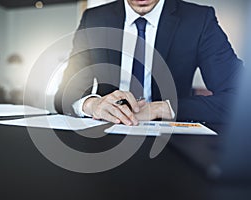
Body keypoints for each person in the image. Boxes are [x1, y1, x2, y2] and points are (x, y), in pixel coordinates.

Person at [55, 0, 242, 125]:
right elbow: (65, 94)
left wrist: (161, 108)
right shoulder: (94, 19)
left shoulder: (199, 20)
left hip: (173, 143)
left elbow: (240, 97)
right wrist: (92, 105)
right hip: (105, 137)